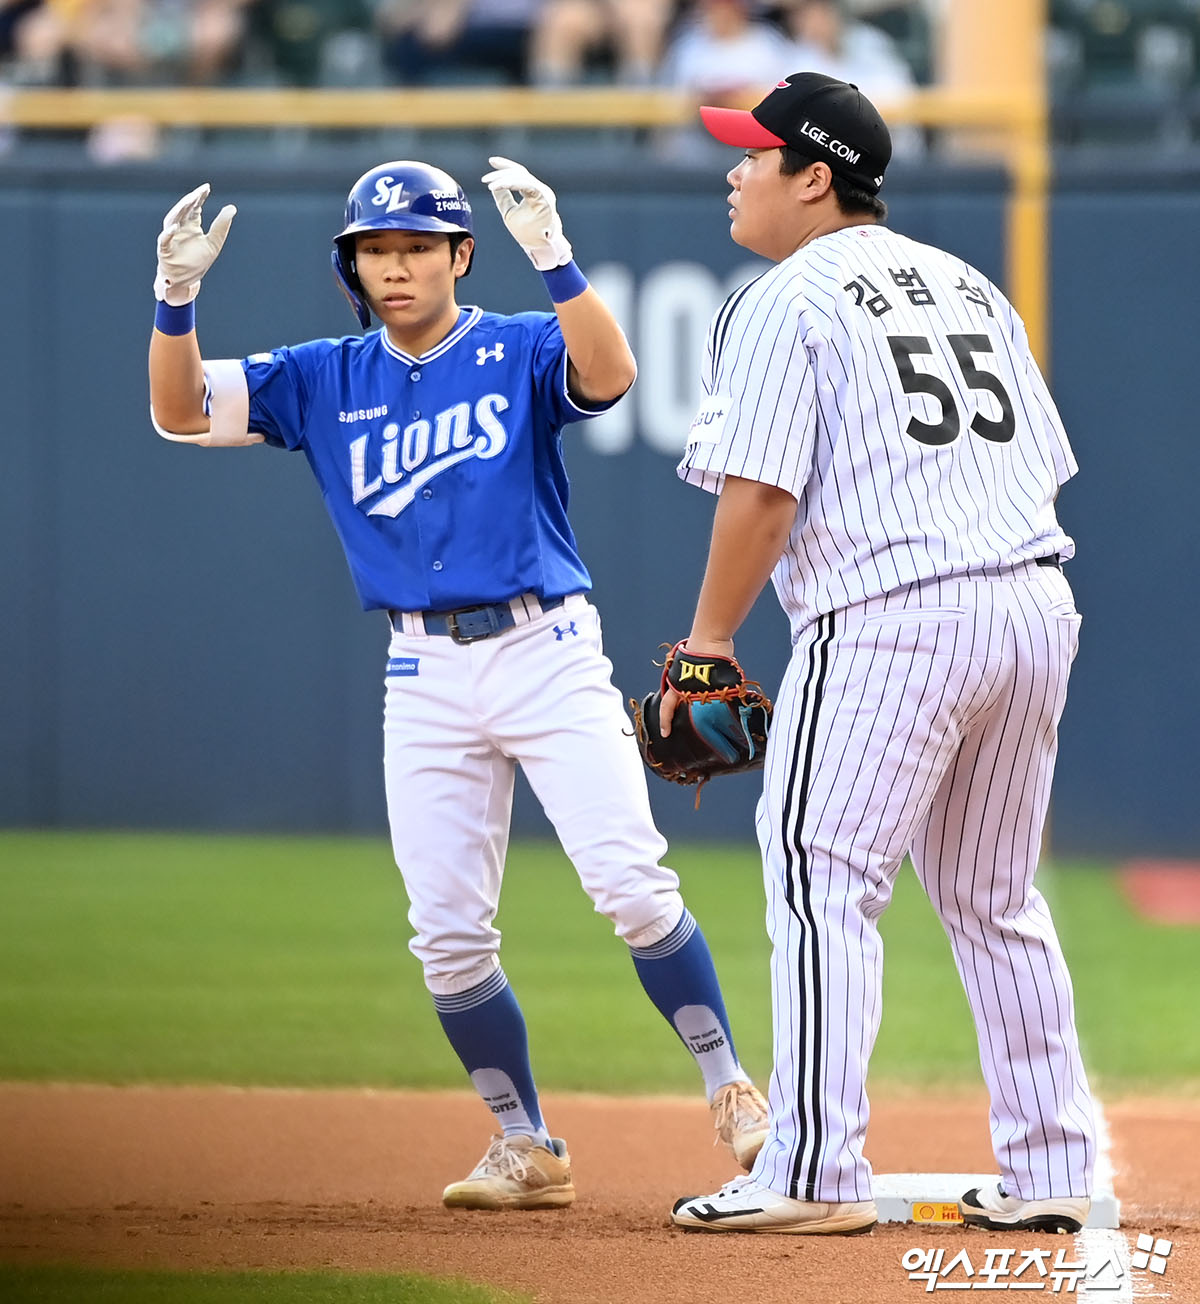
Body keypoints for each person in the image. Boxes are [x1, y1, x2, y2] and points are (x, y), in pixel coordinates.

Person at [146, 156, 770, 1211]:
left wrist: (557, 260)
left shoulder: (518, 343)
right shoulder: (324, 374)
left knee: (627, 878)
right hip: (422, 665)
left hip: (545, 646)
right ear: (352, 265)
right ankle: (525, 1141)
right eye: (375, 251)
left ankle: (735, 1090)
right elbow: (177, 412)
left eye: (416, 247)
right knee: (443, 929)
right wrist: (175, 299)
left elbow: (610, 377)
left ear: (457, 255)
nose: (395, 267)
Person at [662, 72, 1097, 1235]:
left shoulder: (783, 295)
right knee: (996, 898)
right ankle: (1057, 1164)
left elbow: (761, 492)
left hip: (895, 615)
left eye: (753, 154)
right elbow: (1043, 465)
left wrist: (709, 640)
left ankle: (809, 1171)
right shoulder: (970, 284)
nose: (733, 169)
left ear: (815, 177)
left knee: (820, 875)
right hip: (1032, 606)